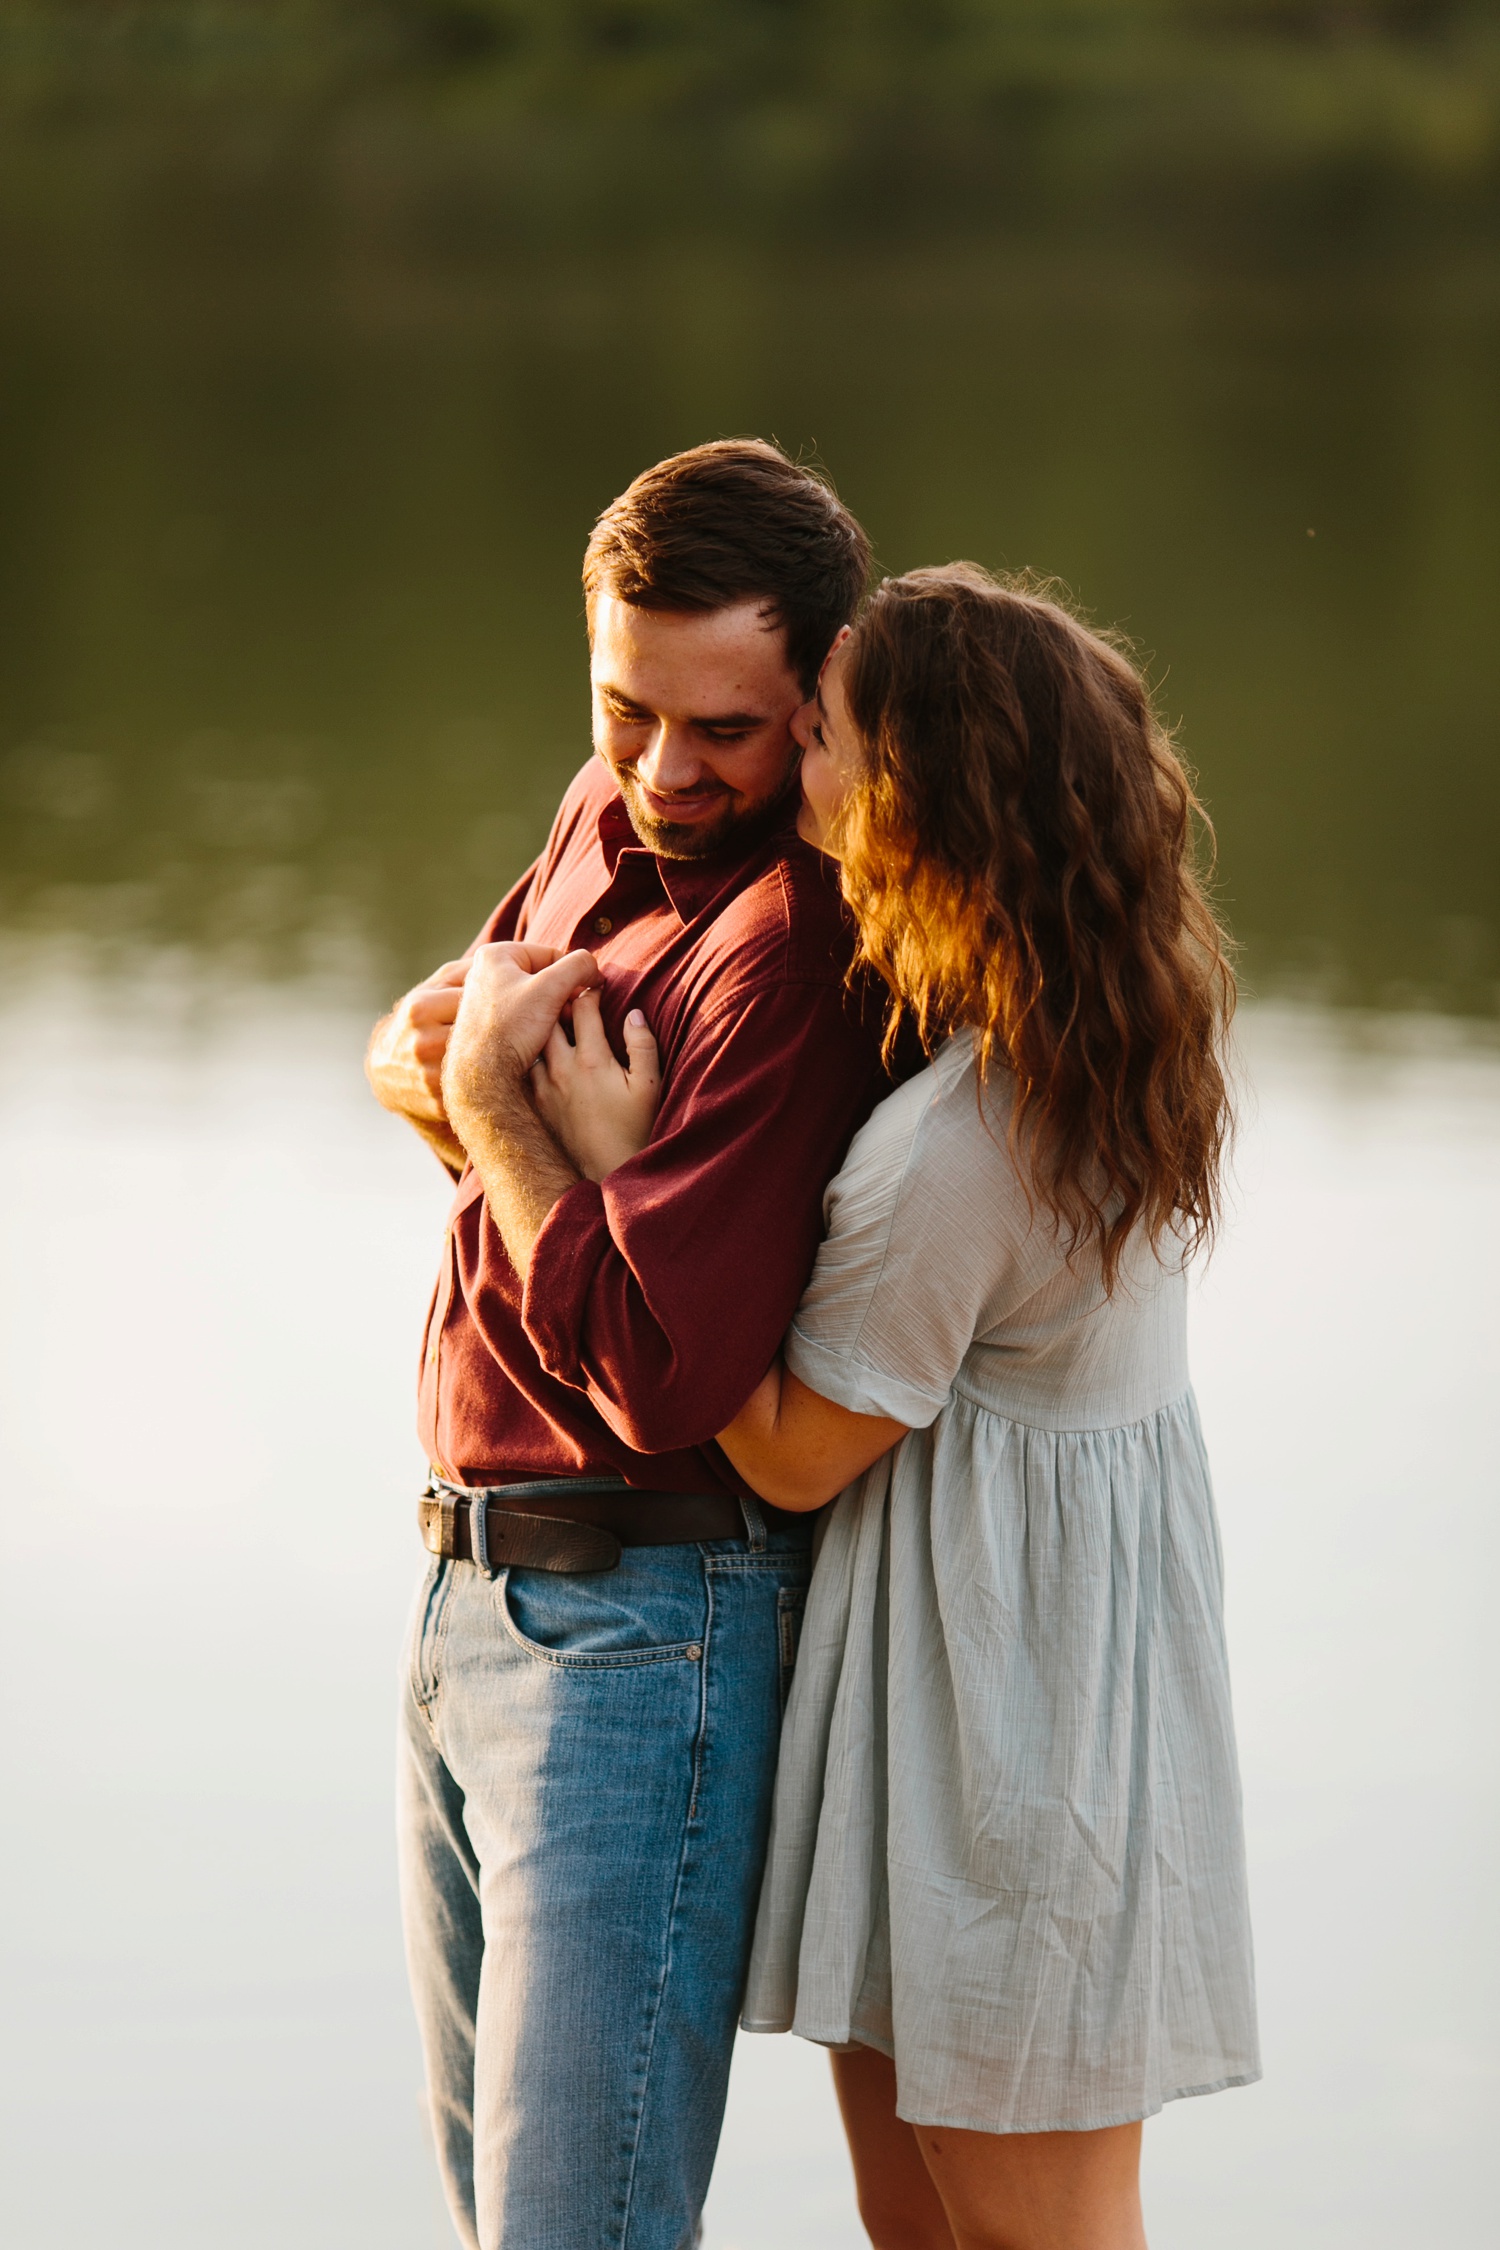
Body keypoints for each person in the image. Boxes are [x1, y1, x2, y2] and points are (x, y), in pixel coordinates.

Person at [532, 564, 1260, 2250]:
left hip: (1002, 1730)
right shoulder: (1096, 1023)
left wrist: (614, 1170)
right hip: (1018, 1687)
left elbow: (789, 1445)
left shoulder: (964, 1145)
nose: (795, 754)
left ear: (919, 796)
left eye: (828, 734)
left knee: (1029, 2237)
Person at [364, 440, 900, 2250]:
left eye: (724, 732)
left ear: (819, 698)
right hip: (468, 1599)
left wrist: (499, 1126)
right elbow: (439, 1032)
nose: (666, 773)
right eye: (625, 713)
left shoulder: (797, 949)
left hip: (640, 1632)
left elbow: (672, 1375)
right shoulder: (609, 813)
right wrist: (434, 1075)